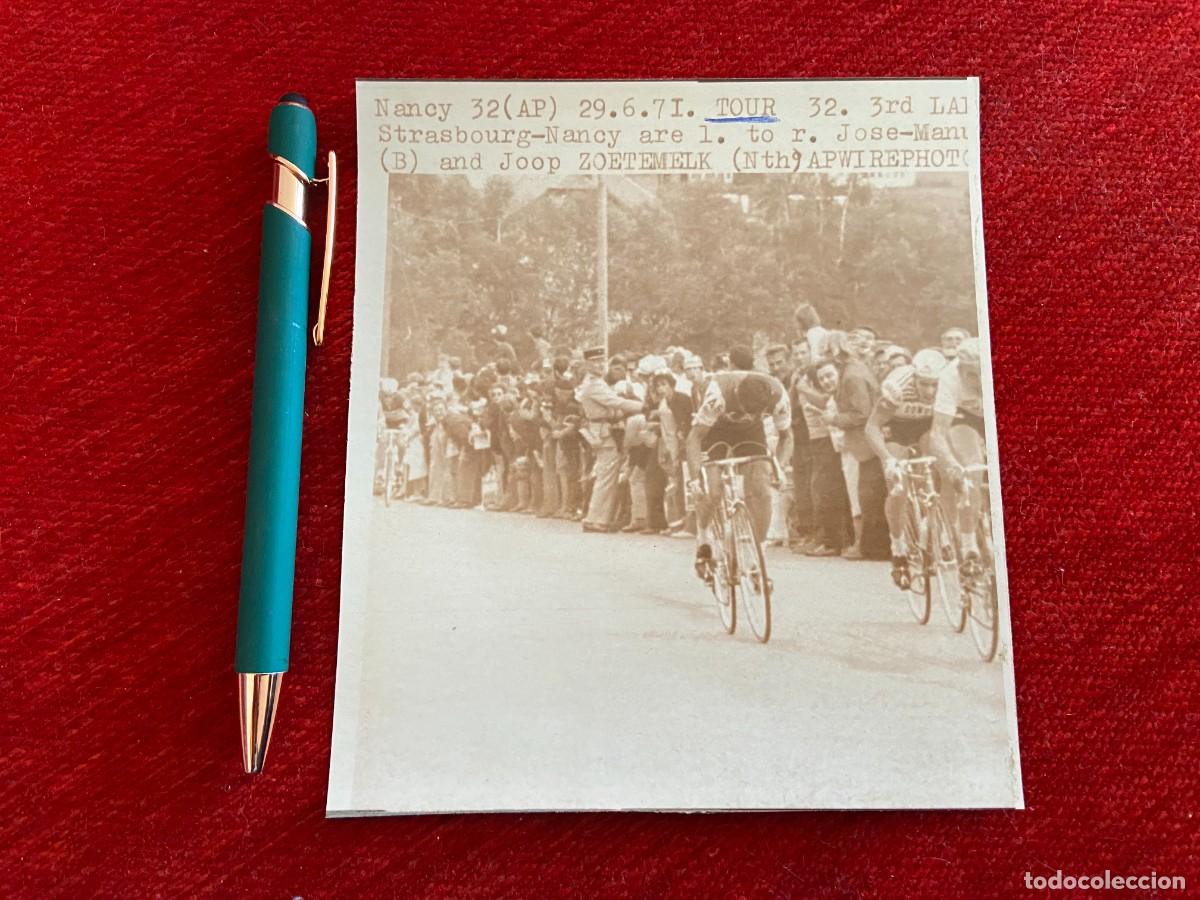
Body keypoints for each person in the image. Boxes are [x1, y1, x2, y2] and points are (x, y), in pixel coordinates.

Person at [686, 369, 791, 585]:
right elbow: (694, 438)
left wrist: (779, 467)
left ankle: (757, 560)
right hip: (715, 431)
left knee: (761, 490)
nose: (748, 416)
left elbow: (787, 437)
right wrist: (696, 478)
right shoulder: (718, 393)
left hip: (751, 435)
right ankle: (704, 536)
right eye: (743, 411)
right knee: (712, 490)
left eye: (755, 413)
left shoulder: (778, 395)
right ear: (736, 394)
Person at [864, 348, 948, 586]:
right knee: (898, 487)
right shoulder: (897, 385)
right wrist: (887, 459)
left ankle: (936, 532)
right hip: (896, 428)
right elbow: (871, 427)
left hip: (927, 427)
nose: (929, 391)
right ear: (914, 378)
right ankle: (898, 549)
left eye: (934, 385)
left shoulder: (949, 385)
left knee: (935, 470)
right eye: (924, 385)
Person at [930, 336, 987, 568]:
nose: (978, 381)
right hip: (967, 418)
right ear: (961, 368)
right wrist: (952, 464)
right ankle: (968, 543)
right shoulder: (949, 376)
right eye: (971, 375)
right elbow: (938, 432)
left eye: (982, 372)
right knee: (970, 466)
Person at [577, 347, 644, 533]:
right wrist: (643, 407)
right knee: (607, 476)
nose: (599, 365)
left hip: (603, 429)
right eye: (595, 362)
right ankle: (597, 519)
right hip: (603, 430)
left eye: (601, 361)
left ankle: (595, 517)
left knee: (604, 475)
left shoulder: (595, 382)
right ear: (587, 365)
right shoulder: (594, 384)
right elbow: (616, 402)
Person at [804, 360, 854, 555]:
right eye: (821, 378)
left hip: (846, 448)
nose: (826, 381)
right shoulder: (833, 398)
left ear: (839, 373)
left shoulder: (843, 395)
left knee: (834, 492)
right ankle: (836, 541)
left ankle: (837, 541)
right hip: (837, 448)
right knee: (829, 490)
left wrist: (830, 419)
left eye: (829, 375)